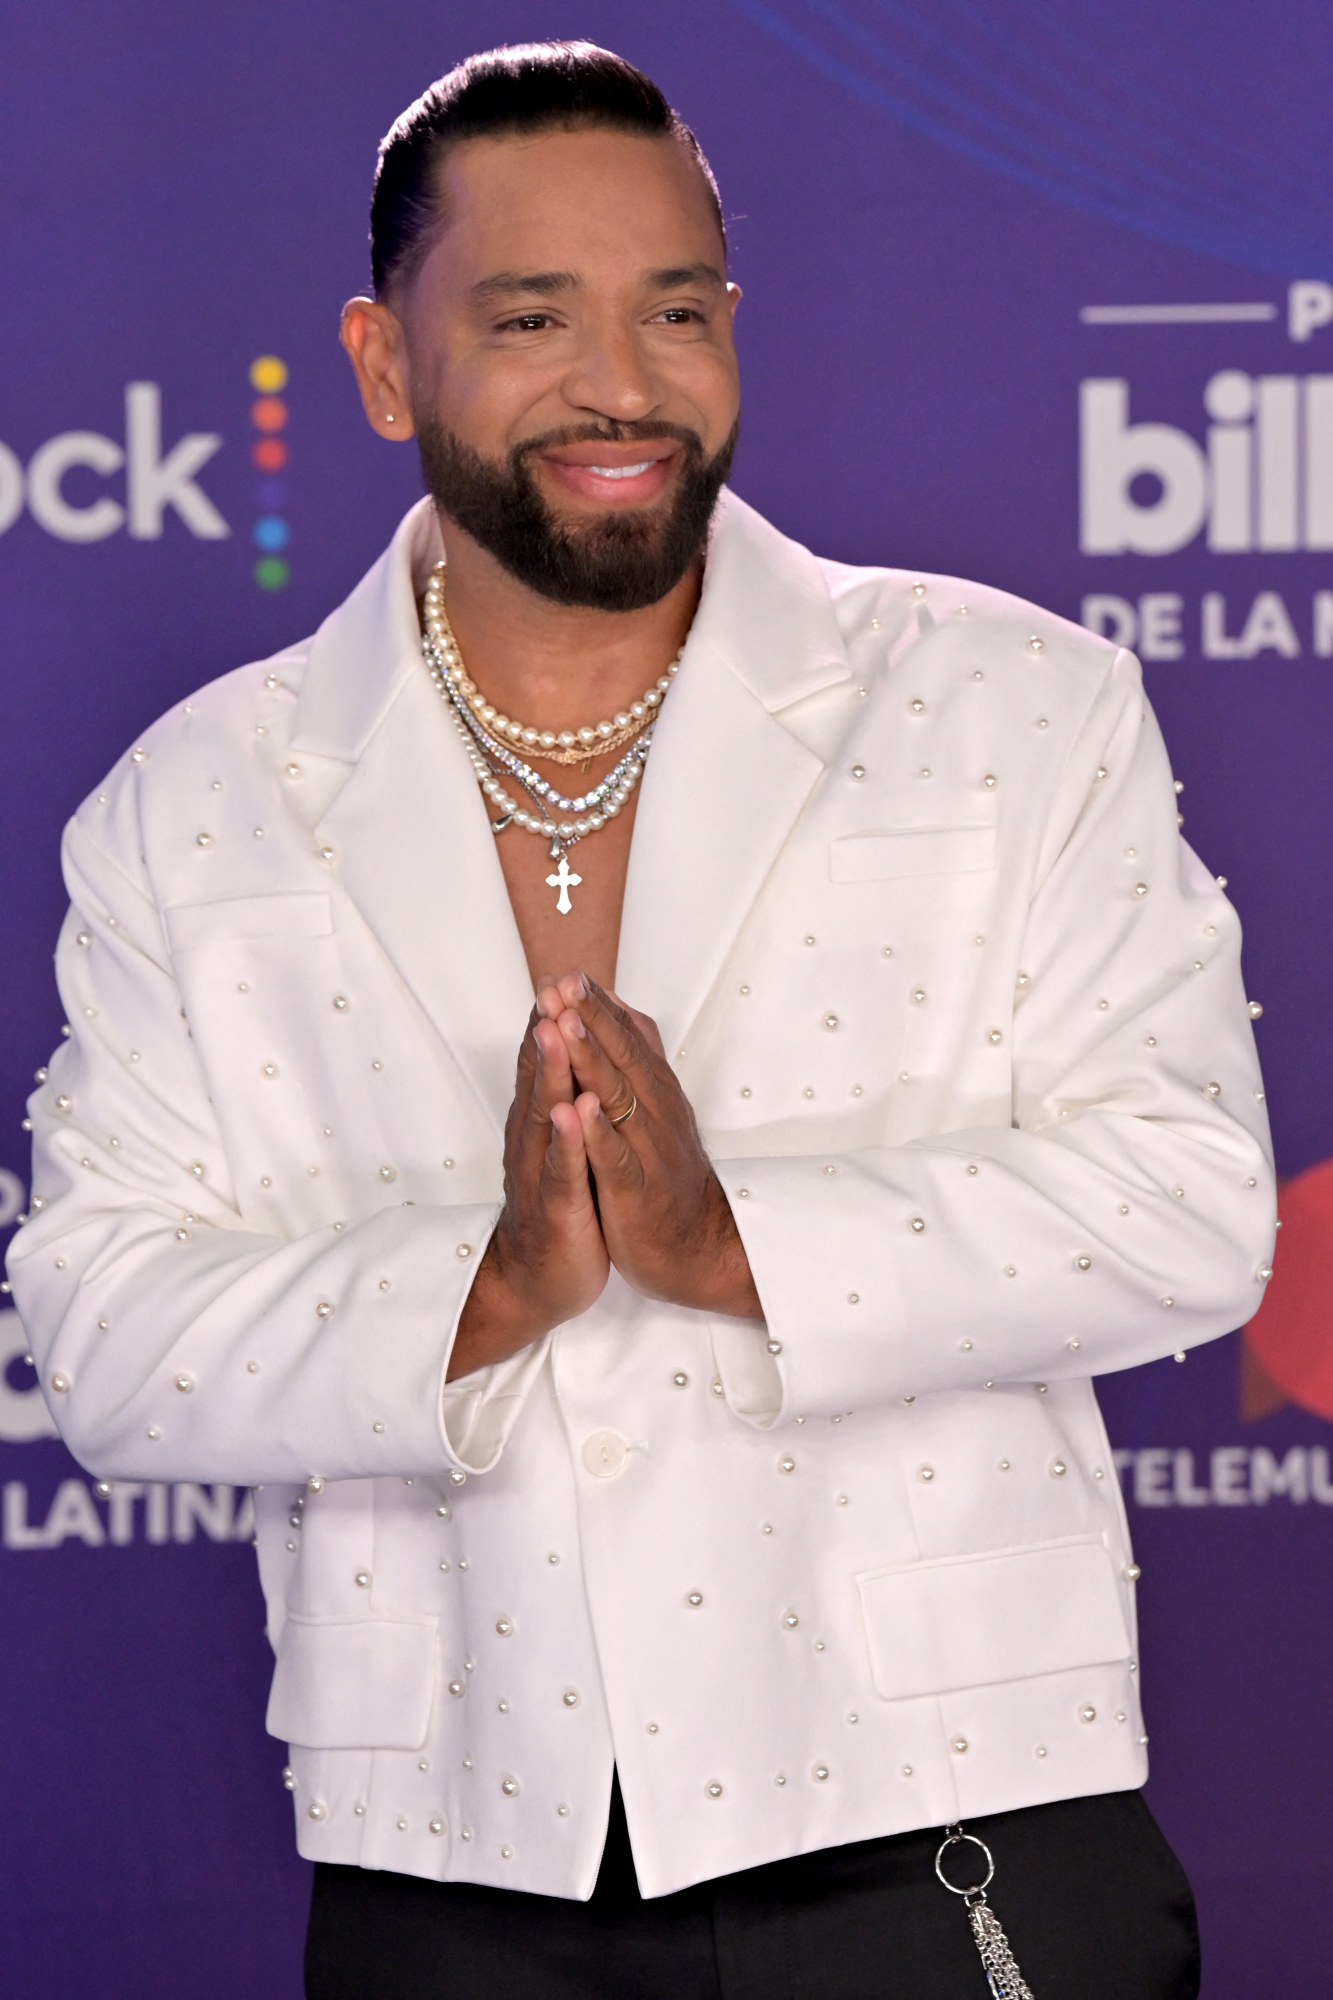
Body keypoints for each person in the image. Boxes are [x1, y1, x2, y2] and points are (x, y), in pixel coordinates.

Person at [9, 39, 1274, 2000]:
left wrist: (731, 1242)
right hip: (454, 1855)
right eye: (533, 318)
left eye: (675, 309)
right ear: (378, 358)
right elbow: (99, 1335)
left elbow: (1192, 1200)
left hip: (946, 1813)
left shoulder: (1014, 706)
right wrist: (488, 1284)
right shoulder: (196, 803)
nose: (624, 383)